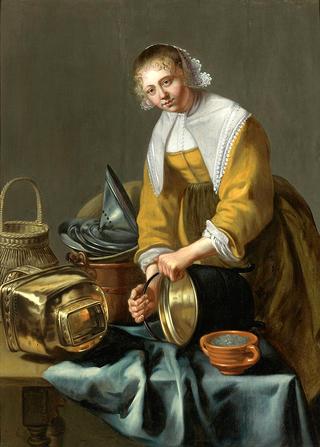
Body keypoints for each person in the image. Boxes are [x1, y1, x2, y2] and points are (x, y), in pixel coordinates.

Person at [128, 43, 320, 404]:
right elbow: (157, 213)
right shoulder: (161, 136)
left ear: (185, 72)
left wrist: (188, 254)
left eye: (167, 82)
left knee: (278, 331)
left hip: (259, 237)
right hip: (197, 240)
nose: (162, 96)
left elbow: (244, 204)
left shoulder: (233, 121)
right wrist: (155, 283)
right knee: (213, 323)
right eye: (151, 90)